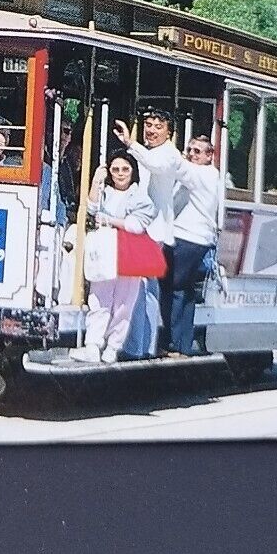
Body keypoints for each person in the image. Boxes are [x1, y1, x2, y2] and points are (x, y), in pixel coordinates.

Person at [71, 149, 157, 362]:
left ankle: (112, 347)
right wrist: (95, 182)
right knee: (99, 299)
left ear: (132, 171)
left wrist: (110, 221)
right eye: (115, 169)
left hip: (129, 252)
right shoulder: (105, 192)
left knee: (123, 304)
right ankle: (93, 345)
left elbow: (137, 224)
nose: (120, 174)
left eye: (125, 169)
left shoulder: (140, 197)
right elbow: (91, 208)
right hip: (105, 252)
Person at [112, 106, 185, 349]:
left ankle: (139, 347)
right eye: (149, 125)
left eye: (158, 126)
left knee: (142, 287)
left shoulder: (169, 154)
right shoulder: (149, 152)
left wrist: (131, 144)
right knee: (144, 287)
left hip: (153, 230)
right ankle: (143, 345)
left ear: (169, 132)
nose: (152, 131)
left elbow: (156, 166)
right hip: (141, 226)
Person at [166, 133, 223, 356]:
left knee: (175, 287)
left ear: (210, 155)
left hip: (190, 238)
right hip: (191, 238)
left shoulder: (206, 174)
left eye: (197, 151)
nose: (191, 154)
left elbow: (179, 167)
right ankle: (183, 343)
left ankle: (174, 342)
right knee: (185, 290)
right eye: (189, 150)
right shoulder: (197, 174)